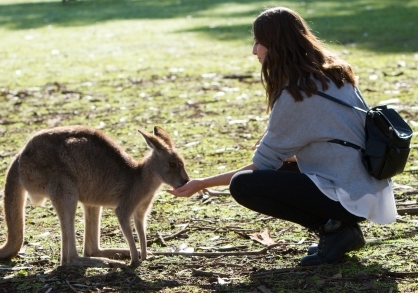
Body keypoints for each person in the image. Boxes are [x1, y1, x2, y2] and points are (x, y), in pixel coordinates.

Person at [167, 6, 397, 265]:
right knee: (276, 171)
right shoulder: (334, 73)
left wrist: (201, 183)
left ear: (275, 45)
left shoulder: (297, 95)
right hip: (369, 187)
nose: (254, 51)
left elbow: (261, 166)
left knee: (244, 185)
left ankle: (336, 229)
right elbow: (334, 140)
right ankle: (340, 230)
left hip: (350, 196)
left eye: (258, 43)